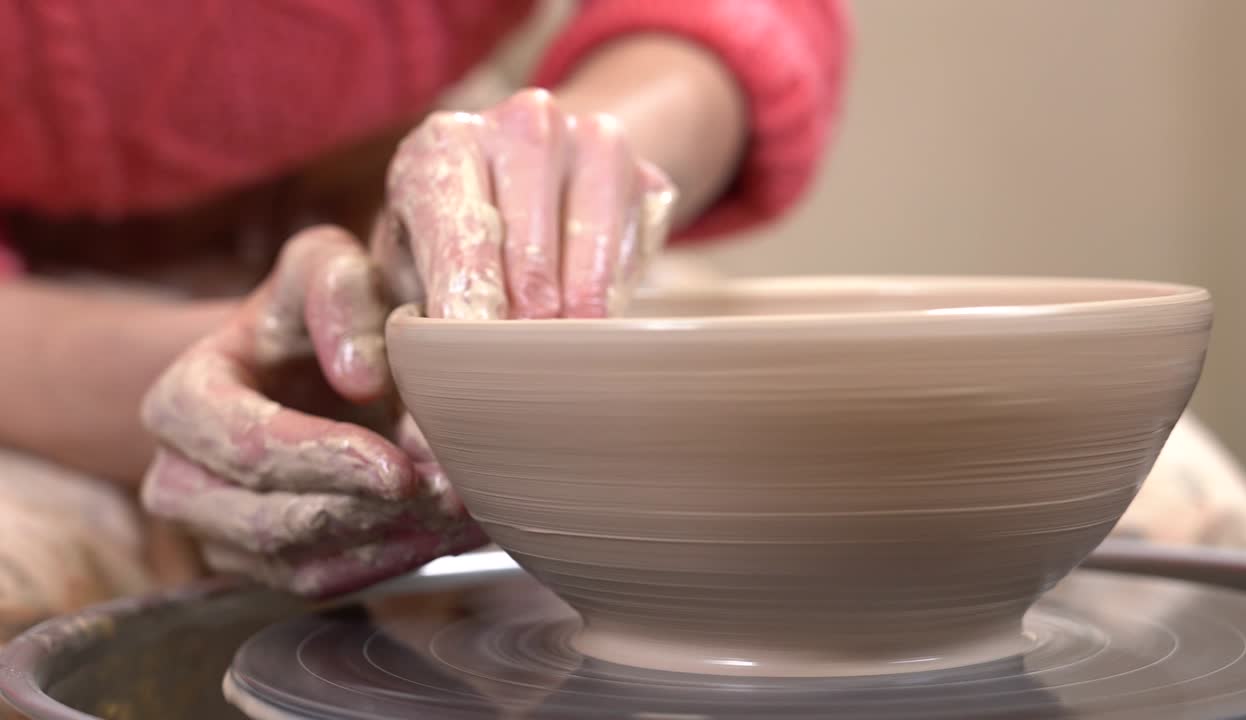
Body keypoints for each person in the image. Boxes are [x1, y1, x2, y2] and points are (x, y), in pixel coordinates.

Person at [0, 0, 850, 637]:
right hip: (29, 314)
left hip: (416, 175)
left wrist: (575, 171)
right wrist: (285, 383)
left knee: (771, 480)